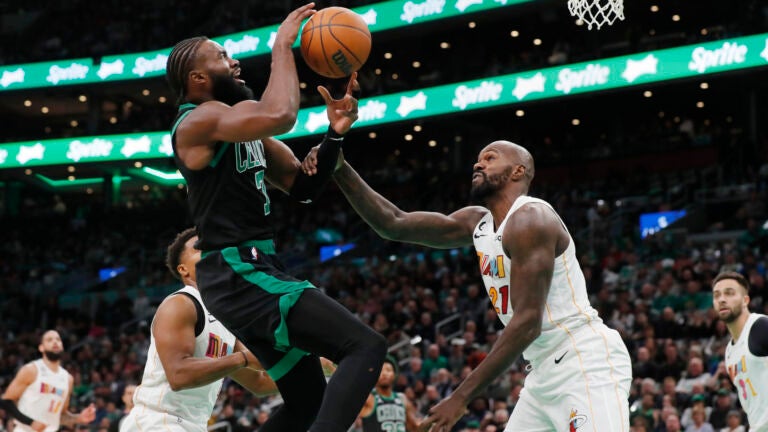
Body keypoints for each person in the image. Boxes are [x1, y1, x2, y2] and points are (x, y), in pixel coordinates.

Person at [164, 3, 386, 430]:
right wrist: (283, 44)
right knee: (365, 347)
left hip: (252, 270)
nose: (235, 62)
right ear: (198, 79)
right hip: (236, 270)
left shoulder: (244, 130)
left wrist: (334, 134)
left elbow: (304, 188)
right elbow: (281, 115)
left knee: (307, 404)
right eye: (223, 58)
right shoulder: (197, 121)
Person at [328, 140, 633, 431]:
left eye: (490, 158)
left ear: (518, 171)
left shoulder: (531, 219)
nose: (478, 163)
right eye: (478, 158)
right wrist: (340, 166)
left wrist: (460, 397)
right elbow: (393, 223)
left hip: (583, 360)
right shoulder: (479, 223)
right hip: (542, 370)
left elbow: (527, 323)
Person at [120, 228, 280, 431]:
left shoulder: (225, 317)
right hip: (159, 421)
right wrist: (243, 358)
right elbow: (178, 375)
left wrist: (320, 369)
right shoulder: (181, 303)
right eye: (200, 248)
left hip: (192, 425)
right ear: (183, 270)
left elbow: (259, 382)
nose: (211, 252)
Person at [0, 330, 96, 431]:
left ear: (62, 346)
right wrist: (31, 422)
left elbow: (60, 416)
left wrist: (79, 418)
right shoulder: (31, 370)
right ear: (41, 347)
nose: (55, 342)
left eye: (58, 339)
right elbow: (6, 401)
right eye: (49, 340)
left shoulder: (68, 379)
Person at [712, 271, 768, 431]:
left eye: (729, 293)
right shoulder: (730, 352)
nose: (722, 299)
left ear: (745, 300)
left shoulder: (761, 327)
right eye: (717, 295)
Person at [358, 356, 419, 432]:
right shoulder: (368, 398)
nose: (384, 374)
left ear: (394, 374)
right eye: (380, 371)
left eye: (388, 370)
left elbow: (414, 427)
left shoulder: (402, 398)